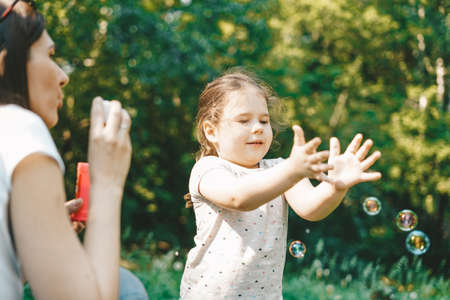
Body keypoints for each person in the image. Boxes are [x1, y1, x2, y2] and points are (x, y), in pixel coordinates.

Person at [180, 70, 382, 299]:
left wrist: (336, 187)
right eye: (244, 120)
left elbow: (311, 208)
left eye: (263, 120)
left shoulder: (280, 169)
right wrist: (291, 170)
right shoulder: (209, 169)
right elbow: (239, 197)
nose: (257, 127)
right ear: (211, 130)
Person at [0, 1, 147, 299]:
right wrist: (107, 183)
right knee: (127, 288)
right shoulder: (16, 126)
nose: (63, 76)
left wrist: (36, 240)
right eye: (50, 55)